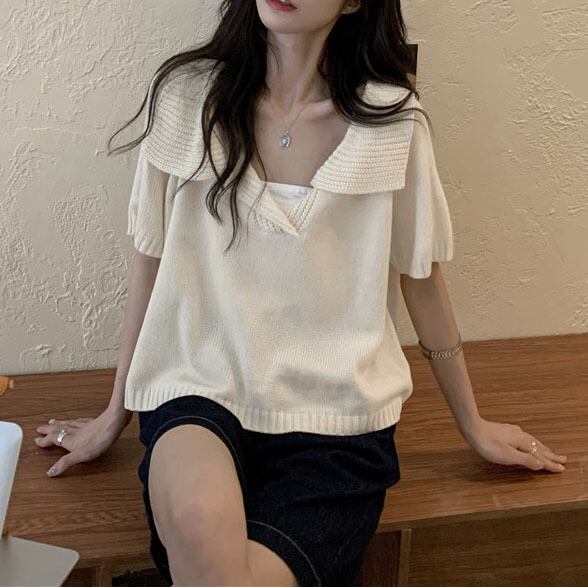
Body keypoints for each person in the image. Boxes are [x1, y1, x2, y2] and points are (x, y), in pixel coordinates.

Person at [34, 1, 568, 586]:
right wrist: (116, 411)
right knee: (196, 517)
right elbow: (150, 261)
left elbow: (421, 278)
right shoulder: (186, 100)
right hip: (197, 389)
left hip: (337, 418)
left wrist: (473, 423)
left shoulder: (393, 122)